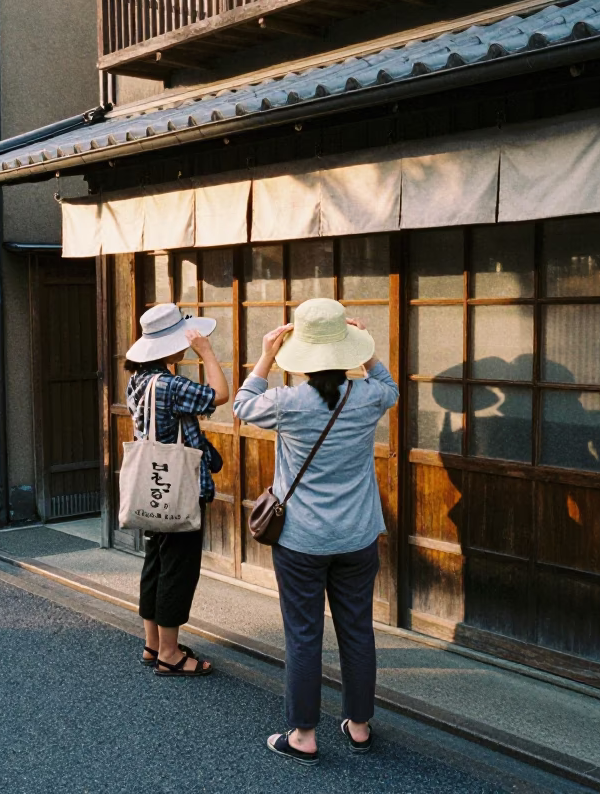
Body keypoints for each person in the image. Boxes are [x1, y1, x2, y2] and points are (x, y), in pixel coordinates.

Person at [233, 297, 399, 764]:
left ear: (300, 354)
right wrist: (364, 348)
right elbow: (389, 386)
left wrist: (265, 352)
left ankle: (304, 735)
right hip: (358, 536)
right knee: (357, 630)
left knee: (304, 636)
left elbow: (243, 405)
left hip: (301, 541)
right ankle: (360, 725)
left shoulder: (287, 403)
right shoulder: (368, 397)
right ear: (345, 350)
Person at [124, 302, 229, 676]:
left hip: (154, 488)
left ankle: (153, 644)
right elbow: (220, 393)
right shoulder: (170, 384)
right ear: (168, 346)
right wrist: (208, 352)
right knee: (178, 570)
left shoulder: (138, 381)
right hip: (179, 492)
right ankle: (170, 654)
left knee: (156, 563)